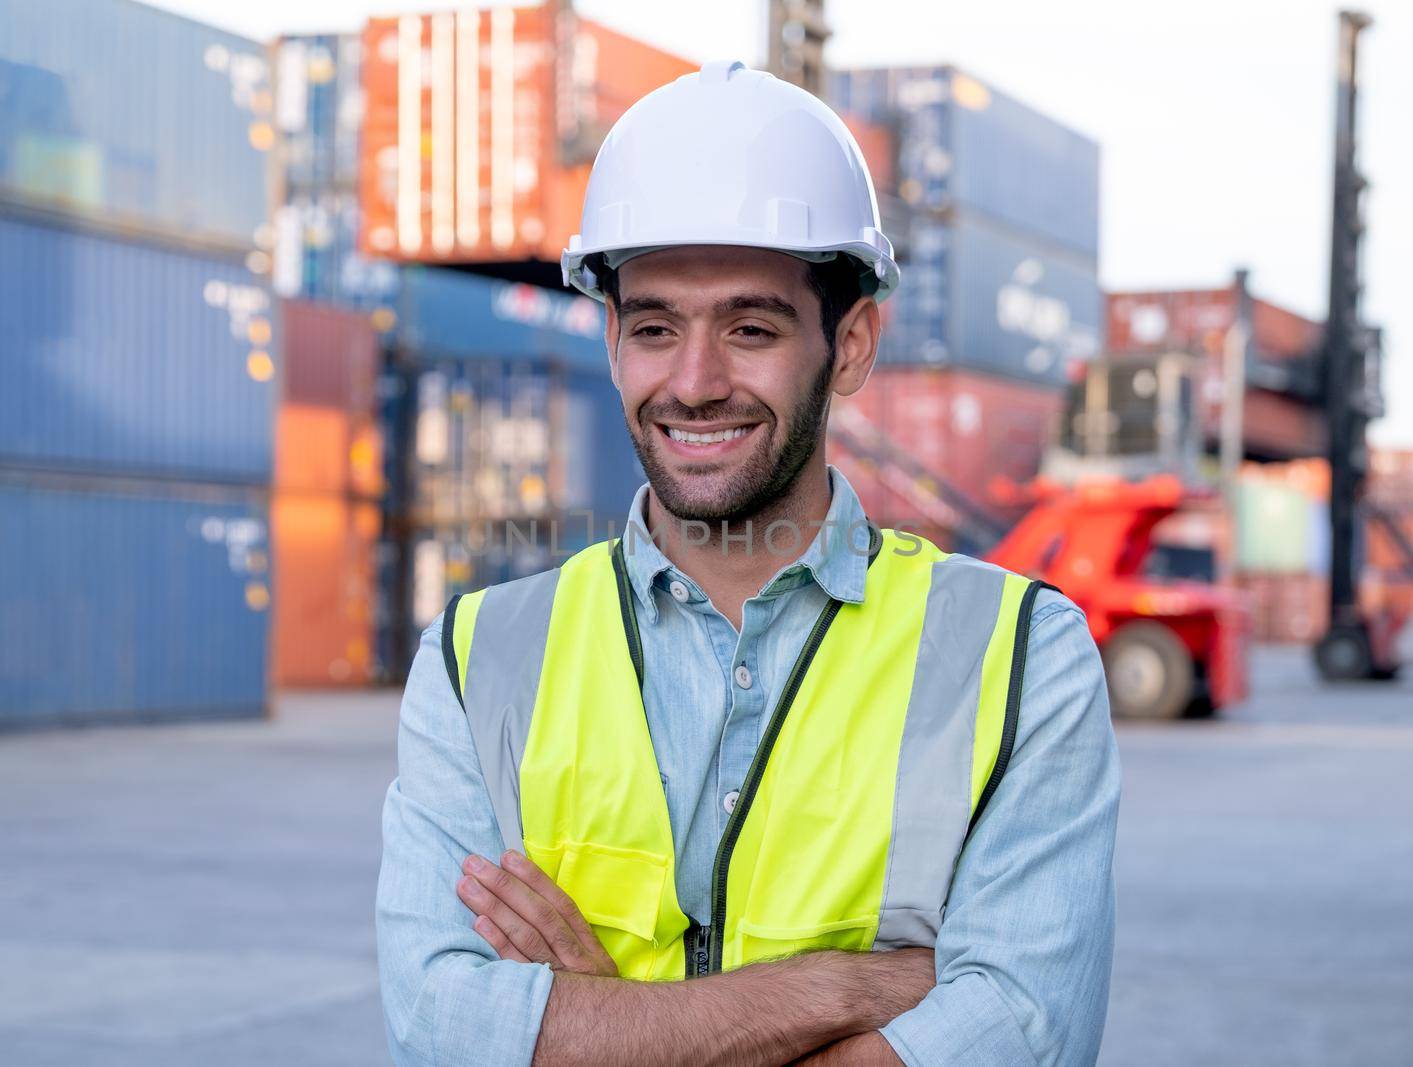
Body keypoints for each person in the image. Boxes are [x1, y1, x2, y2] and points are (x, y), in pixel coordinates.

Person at [377, 61, 1119, 1066]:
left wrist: (597, 1020)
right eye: (653, 328)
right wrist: (848, 984)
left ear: (850, 344)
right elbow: (441, 1028)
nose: (693, 381)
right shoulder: (480, 655)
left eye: (751, 327)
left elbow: (1022, 1031)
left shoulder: (1020, 655)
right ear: (610, 341)